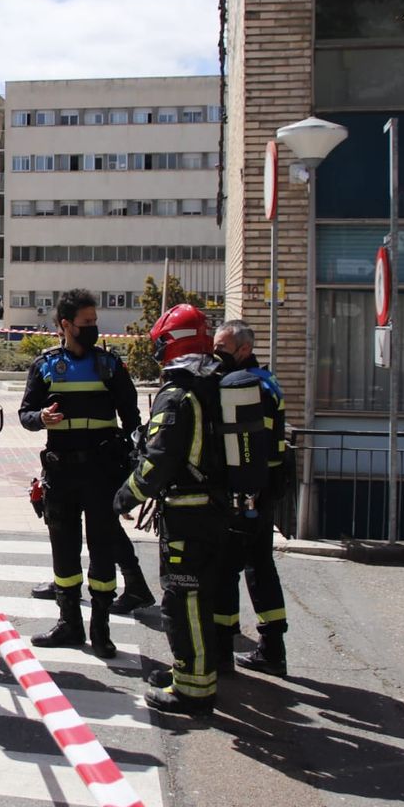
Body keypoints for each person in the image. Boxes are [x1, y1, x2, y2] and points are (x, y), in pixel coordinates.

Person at [18, 288, 151, 659]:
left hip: (102, 473)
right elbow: (26, 414)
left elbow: (132, 417)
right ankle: (69, 624)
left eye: (94, 322)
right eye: (86, 322)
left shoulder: (109, 365)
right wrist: (40, 419)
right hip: (60, 474)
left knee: (102, 552)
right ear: (65, 325)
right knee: (64, 551)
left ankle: (101, 630)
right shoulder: (45, 365)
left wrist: (131, 464)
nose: (93, 327)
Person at [115, 303, 228, 715]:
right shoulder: (216, 384)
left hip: (188, 513)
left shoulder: (179, 395)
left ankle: (193, 690)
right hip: (214, 509)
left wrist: (124, 496)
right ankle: (192, 671)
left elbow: (158, 460)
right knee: (204, 596)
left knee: (184, 600)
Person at [211, 319, 291, 677]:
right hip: (268, 486)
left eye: (223, 349)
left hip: (245, 492)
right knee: (260, 567)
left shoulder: (243, 386)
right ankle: (273, 646)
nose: (217, 355)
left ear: (244, 349)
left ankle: (222, 648)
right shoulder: (267, 379)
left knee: (226, 569)